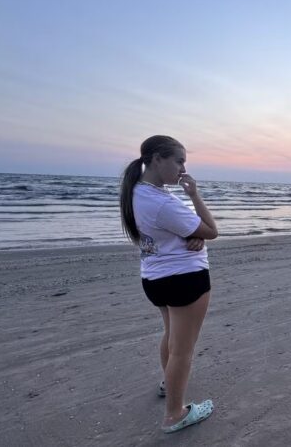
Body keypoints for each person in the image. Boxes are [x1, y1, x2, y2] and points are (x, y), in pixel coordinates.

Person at [119, 135, 218, 432]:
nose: (183, 168)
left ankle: (168, 383)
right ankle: (175, 413)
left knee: (171, 337)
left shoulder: (138, 193)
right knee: (182, 350)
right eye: (179, 161)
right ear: (157, 159)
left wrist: (192, 234)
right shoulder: (160, 201)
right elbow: (212, 230)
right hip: (184, 279)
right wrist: (195, 196)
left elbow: (176, 230)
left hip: (155, 278)